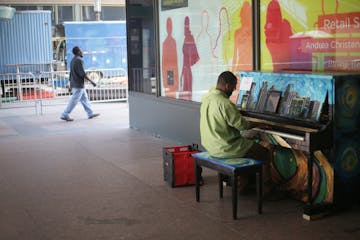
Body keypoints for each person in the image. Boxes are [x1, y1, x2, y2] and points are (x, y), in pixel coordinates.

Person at [200, 71, 272, 193]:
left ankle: (242, 186)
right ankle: (267, 191)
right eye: (233, 88)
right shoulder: (225, 103)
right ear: (227, 86)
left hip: (211, 146)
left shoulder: (206, 98)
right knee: (264, 153)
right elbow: (242, 125)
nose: (233, 91)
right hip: (226, 148)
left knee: (248, 146)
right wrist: (258, 124)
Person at [60, 46, 100, 121]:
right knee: (74, 101)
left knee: (85, 99)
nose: (82, 52)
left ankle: (90, 113)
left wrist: (70, 85)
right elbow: (83, 74)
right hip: (78, 85)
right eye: (81, 51)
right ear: (78, 52)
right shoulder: (79, 60)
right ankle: (65, 114)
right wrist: (92, 82)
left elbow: (71, 74)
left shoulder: (72, 60)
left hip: (76, 84)